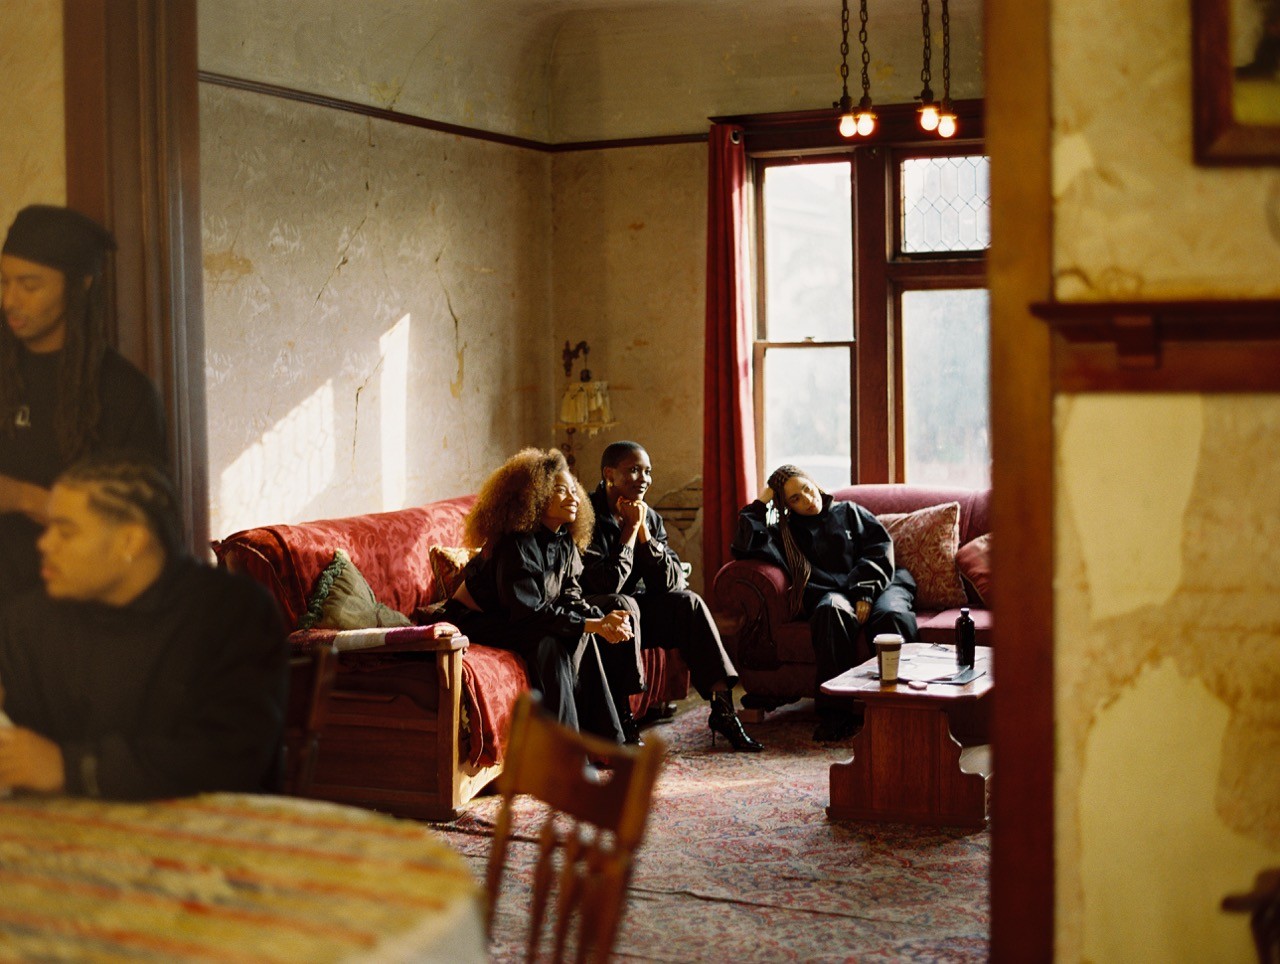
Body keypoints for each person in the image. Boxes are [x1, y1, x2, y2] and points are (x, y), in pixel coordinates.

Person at [0, 457, 287, 799]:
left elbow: (230, 756)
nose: (44, 544)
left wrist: (74, 768)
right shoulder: (30, 619)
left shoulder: (232, 610)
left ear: (130, 541)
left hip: (211, 825)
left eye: (65, 531)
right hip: (60, 825)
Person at [0, 205, 166, 600]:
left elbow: (137, 532)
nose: (10, 300)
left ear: (80, 284)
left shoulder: (126, 394)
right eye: (4, 282)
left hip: (80, 613)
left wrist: (22, 497)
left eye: (30, 285)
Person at [581, 441, 762, 752]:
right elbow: (606, 583)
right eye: (633, 470)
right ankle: (623, 718)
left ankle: (723, 711)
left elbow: (670, 583)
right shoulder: (585, 515)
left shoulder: (649, 517)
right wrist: (628, 533)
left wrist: (644, 533)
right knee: (623, 605)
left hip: (634, 609)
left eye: (647, 472)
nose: (644, 479)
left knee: (688, 602)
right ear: (609, 474)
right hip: (597, 612)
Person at [444, 447, 630, 744]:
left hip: (519, 617)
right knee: (550, 644)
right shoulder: (515, 543)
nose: (574, 498)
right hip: (476, 620)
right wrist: (591, 624)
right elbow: (528, 612)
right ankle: (566, 754)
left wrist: (603, 620)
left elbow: (570, 597)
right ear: (536, 495)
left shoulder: (564, 540)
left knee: (585, 634)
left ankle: (608, 742)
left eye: (574, 491)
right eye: (561, 491)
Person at [731, 464, 917, 743]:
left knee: (891, 617)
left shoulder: (849, 511)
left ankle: (908, 710)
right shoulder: (785, 534)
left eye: (807, 489)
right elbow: (744, 544)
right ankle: (837, 717)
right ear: (786, 506)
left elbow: (879, 549)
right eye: (795, 498)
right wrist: (762, 501)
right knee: (829, 612)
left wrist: (864, 592)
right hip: (833, 593)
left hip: (881, 583)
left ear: (814, 483)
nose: (807, 499)